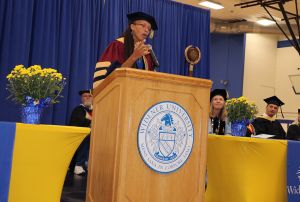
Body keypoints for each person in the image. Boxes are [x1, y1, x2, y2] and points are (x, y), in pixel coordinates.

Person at [93, 11, 158, 89]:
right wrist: (134, 56)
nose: (146, 30)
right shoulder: (117, 45)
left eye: (149, 28)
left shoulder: (147, 53)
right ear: (132, 27)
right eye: (143, 26)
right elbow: (111, 76)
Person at [69, 89, 93, 175]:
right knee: (86, 136)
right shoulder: (78, 110)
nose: (87, 97)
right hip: (80, 136)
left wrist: (90, 120)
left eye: (89, 96)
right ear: (81, 98)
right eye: (85, 96)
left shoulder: (96, 109)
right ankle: (79, 165)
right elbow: (79, 122)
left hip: (96, 135)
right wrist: (90, 121)